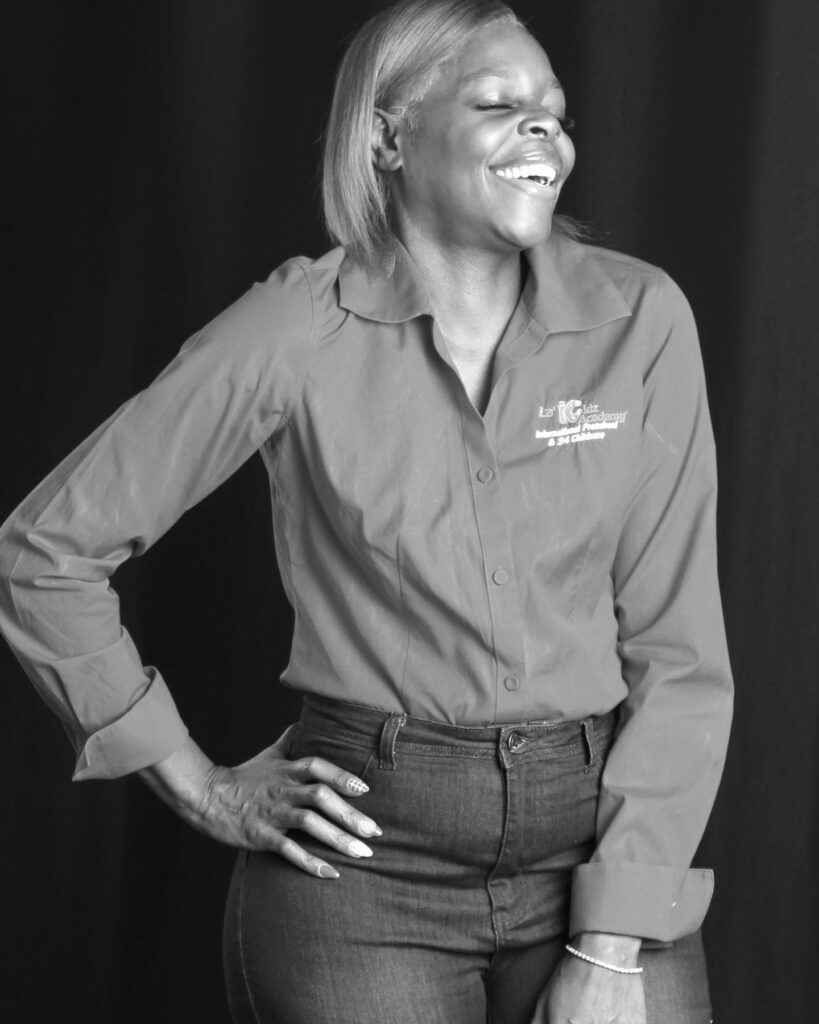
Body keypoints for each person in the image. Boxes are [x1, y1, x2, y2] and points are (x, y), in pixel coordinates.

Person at [0, 1, 732, 1022]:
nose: (545, 130)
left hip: (602, 849)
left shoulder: (640, 319)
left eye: (555, 111)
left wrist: (608, 949)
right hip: (363, 875)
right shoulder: (297, 328)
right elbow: (44, 554)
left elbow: (679, 655)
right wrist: (197, 782)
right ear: (388, 136)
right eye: (498, 104)